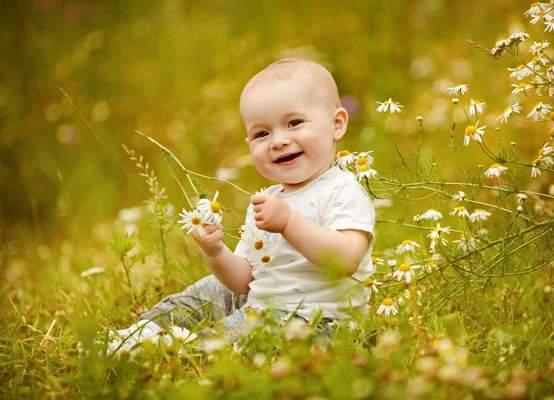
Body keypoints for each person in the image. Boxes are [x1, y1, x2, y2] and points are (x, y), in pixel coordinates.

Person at [118, 58, 375, 341]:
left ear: (336, 124)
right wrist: (215, 252)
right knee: (210, 291)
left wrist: (289, 222)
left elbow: (347, 259)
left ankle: (187, 348)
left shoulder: (342, 189)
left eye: (294, 123)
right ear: (249, 144)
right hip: (263, 306)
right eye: (262, 133)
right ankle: (143, 332)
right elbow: (245, 281)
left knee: (252, 332)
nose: (278, 141)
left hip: (320, 321)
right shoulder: (267, 201)